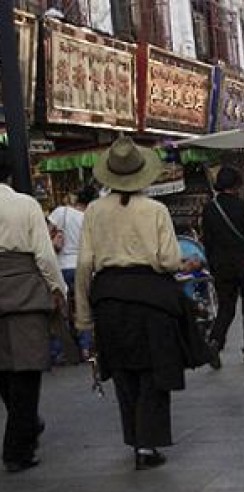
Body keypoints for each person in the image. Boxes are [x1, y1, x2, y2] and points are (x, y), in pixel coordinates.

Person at [76, 137, 197, 470]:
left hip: (109, 299)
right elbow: (170, 259)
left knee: (124, 374)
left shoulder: (94, 212)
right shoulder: (155, 210)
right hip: (152, 298)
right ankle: (148, 444)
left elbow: (85, 263)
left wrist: (83, 316)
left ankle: (135, 441)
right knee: (153, 375)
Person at [0, 145, 66, 473]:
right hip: (24, 292)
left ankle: (24, 426)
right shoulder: (24, 205)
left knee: (3, 372)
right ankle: (17, 448)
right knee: (26, 372)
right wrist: (58, 288)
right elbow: (44, 254)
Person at [202, 166, 244, 364]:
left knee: (226, 307)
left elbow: (208, 241)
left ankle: (215, 341)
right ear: (236, 184)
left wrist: (212, 266)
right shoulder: (242, 206)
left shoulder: (210, 209)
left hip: (222, 267)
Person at [49, 185, 98, 361]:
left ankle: (61, 349)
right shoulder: (88, 218)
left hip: (60, 266)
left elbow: (47, 231)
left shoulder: (61, 211)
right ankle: (85, 347)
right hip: (81, 265)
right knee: (82, 306)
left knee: (61, 308)